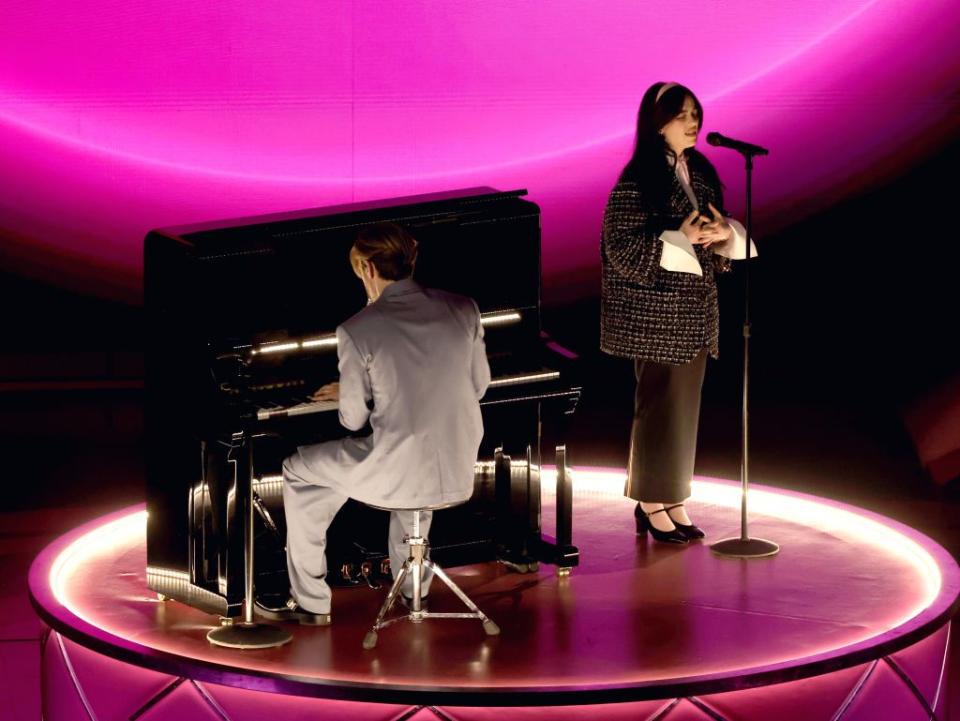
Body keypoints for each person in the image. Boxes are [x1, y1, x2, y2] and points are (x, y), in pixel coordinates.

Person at [259, 222, 491, 625]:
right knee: (415, 463)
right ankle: (411, 588)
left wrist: (352, 388)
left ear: (367, 268)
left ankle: (311, 602)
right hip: (456, 466)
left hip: (396, 470)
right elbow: (480, 386)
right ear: (411, 261)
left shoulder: (358, 328)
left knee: (299, 472)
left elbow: (353, 420)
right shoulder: (463, 307)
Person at [600, 81, 751, 544]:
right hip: (655, 313)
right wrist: (681, 238)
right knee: (659, 406)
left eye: (695, 113)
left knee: (684, 408)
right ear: (658, 121)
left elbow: (710, 229)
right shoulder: (637, 179)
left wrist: (719, 235)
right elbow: (620, 246)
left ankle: (673, 497)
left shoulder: (699, 170)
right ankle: (650, 501)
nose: (693, 122)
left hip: (693, 310)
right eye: (683, 115)